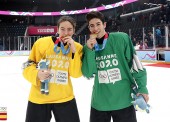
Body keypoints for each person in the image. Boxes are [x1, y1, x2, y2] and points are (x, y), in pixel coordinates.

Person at [82, 11, 149, 122]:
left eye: (98, 24)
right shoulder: (88, 47)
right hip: (100, 103)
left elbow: (136, 65)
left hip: (124, 100)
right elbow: (88, 73)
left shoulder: (121, 39)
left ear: (104, 25)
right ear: (89, 28)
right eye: (91, 26)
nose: (95, 28)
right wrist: (90, 50)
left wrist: (143, 88)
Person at [22, 16, 83, 122]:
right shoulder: (42, 43)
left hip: (64, 98)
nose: (66, 32)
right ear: (57, 29)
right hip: (39, 98)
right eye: (62, 29)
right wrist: (36, 74)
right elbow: (27, 66)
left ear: (74, 30)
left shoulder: (78, 48)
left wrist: (73, 51)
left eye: (69, 29)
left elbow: (76, 74)